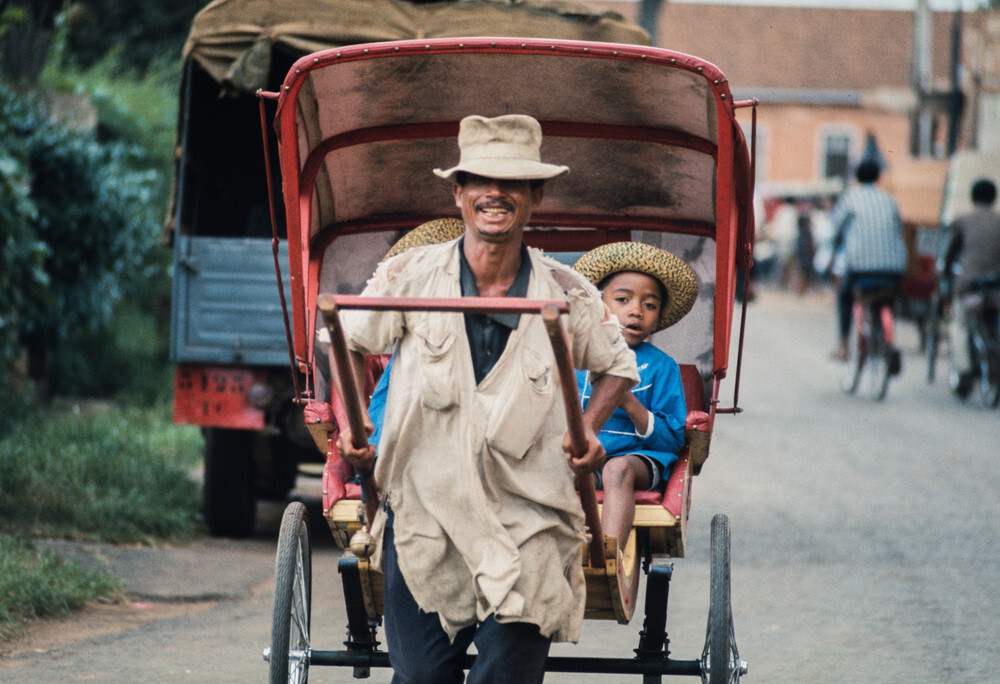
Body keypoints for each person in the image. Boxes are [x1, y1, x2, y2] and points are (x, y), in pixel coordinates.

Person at [335, 114, 639, 683]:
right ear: (458, 193)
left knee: (504, 676)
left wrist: (589, 429)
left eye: (513, 182)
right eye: (479, 179)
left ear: (534, 196)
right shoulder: (409, 276)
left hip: (531, 514)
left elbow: (618, 367)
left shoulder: (567, 291)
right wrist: (359, 429)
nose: (495, 193)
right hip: (426, 509)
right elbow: (348, 340)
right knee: (423, 678)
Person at [572, 242, 696, 559]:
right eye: (623, 300)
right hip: (585, 458)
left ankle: (607, 556)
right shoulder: (579, 360)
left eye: (649, 305)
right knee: (548, 469)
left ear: (657, 317)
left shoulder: (661, 366)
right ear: (600, 305)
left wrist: (628, 403)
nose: (636, 311)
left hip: (636, 461)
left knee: (617, 470)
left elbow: (672, 439)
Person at [827, 160, 907, 362]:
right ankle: (889, 341)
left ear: (857, 177)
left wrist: (832, 257)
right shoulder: (889, 200)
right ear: (879, 177)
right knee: (888, 298)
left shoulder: (850, 198)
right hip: (894, 268)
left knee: (845, 295)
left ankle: (844, 346)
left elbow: (836, 229)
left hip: (861, 268)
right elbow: (899, 228)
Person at [942, 178, 1000, 397]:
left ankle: (965, 370)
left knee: (960, 325)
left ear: (973, 197)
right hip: (996, 287)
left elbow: (949, 254)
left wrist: (946, 275)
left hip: (971, 286)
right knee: (993, 326)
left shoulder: (963, 221)